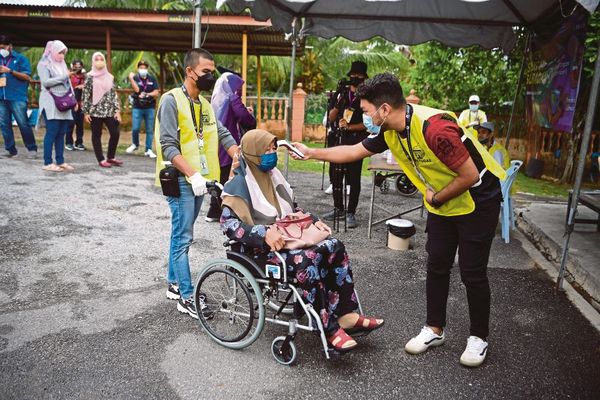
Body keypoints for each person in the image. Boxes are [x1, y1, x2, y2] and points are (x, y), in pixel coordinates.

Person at [291, 73, 506, 367]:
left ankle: (478, 338)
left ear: (384, 109)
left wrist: (436, 198)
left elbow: (468, 175)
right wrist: (311, 152)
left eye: (366, 111)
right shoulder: (389, 129)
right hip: (443, 198)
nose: (364, 117)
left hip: (478, 199)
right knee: (437, 263)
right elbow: (354, 151)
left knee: (472, 272)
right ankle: (434, 329)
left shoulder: (435, 128)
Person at [221, 129, 384, 352]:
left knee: (334, 246)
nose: (272, 153)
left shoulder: (274, 177)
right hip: (261, 251)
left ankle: (346, 313)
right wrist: (262, 233)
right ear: (253, 153)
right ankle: (327, 327)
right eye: (267, 149)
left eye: (273, 148)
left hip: (288, 241)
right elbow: (229, 225)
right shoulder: (237, 186)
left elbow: (293, 210)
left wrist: (314, 222)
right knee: (307, 260)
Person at [154, 48, 240, 320]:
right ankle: (187, 296)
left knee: (182, 231)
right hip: (181, 179)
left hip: (201, 180)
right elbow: (167, 145)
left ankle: (173, 283)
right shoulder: (171, 101)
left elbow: (221, 132)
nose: (210, 76)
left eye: (212, 72)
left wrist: (237, 152)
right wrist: (192, 174)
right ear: (190, 72)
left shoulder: (204, 105)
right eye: (205, 72)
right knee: (184, 237)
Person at [205, 71, 256, 222]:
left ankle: (214, 210)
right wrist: (249, 114)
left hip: (217, 143)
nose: (239, 90)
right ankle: (221, 211)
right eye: (238, 87)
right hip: (229, 144)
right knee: (229, 177)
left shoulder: (218, 99)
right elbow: (248, 121)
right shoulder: (233, 98)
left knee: (220, 174)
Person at [323, 61, 369, 228]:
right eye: (353, 76)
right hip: (338, 139)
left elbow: (369, 124)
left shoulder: (367, 96)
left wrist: (349, 127)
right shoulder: (341, 93)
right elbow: (331, 118)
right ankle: (338, 208)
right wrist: (338, 102)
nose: (355, 79)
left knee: (354, 177)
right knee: (336, 175)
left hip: (356, 141)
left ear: (364, 78)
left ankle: (351, 212)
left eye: (359, 76)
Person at [37, 40, 75, 172]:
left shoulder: (62, 64)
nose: (62, 56)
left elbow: (68, 83)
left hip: (64, 102)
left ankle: (60, 160)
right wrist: (65, 76)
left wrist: (73, 100)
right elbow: (46, 82)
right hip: (51, 102)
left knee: (62, 133)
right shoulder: (43, 64)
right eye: (60, 53)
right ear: (53, 51)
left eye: (64, 53)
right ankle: (47, 162)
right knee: (52, 132)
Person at [82, 52, 123, 168]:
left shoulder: (109, 76)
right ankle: (101, 159)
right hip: (95, 111)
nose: (99, 61)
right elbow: (85, 95)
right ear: (93, 62)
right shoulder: (90, 76)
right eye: (97, 59)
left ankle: (111, 157)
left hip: (109, 110)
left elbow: (113, 94)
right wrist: (86, 112)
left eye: (101, 59)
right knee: (96, 135)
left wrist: (117, 110)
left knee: (115, 132)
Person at [0, 33, 38, 159]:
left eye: (3, 47)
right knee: (4, 124)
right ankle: (10, 149)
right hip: (1, 97)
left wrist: (10, 71)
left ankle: (32, 148)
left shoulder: (20, 59)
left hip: (17, 97)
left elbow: (27, 77)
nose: (1, 50)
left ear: (10, 46)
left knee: (23, 123)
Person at [126, 60, 159, 158]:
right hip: (137, 106)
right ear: (138, 68)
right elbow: (137, 90)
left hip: (150, 107)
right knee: (135, 128)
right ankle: (135, 144)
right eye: (141, 68)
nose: (143, 69)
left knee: (149, 129)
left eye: (145, 68)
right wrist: (131, 79)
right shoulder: (135, 77)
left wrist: (147, 94)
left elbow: (156, 92)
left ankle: (148, 149)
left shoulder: (152, 78)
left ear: (147, 69)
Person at [66, 59, 86, 151]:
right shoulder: (69, 76)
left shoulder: (84, 77)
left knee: (80, 124)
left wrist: (84, 86)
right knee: (71, 123)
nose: (78, 68)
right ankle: (69, 142)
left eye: (79, 66)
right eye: (76, 66)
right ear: (72, 66)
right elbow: (67, 89)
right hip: (71, 102)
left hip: (81, 103)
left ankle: (79, 142)